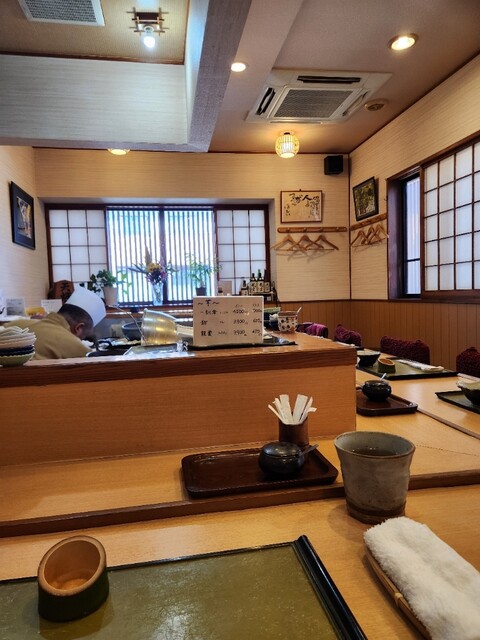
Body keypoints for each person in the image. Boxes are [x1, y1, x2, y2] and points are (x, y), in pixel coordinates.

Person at [6, 286, 106, 360]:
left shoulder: (16, 324)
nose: (80, 340)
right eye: (82, 337)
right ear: (78, 328)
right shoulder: (78, 347)